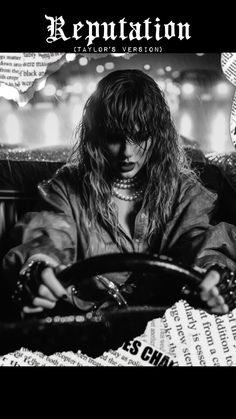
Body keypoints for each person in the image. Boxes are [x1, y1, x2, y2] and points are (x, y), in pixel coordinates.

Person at [2, 69, 236, 316]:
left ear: (157, 136)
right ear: (97, 135)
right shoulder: (68, 187)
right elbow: (49, 232)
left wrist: (214, 275)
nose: (127, 151)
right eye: (115, 136)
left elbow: (197, 240)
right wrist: (39, 269)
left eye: (140, 136)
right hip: (87, 332)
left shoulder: (184, 191)